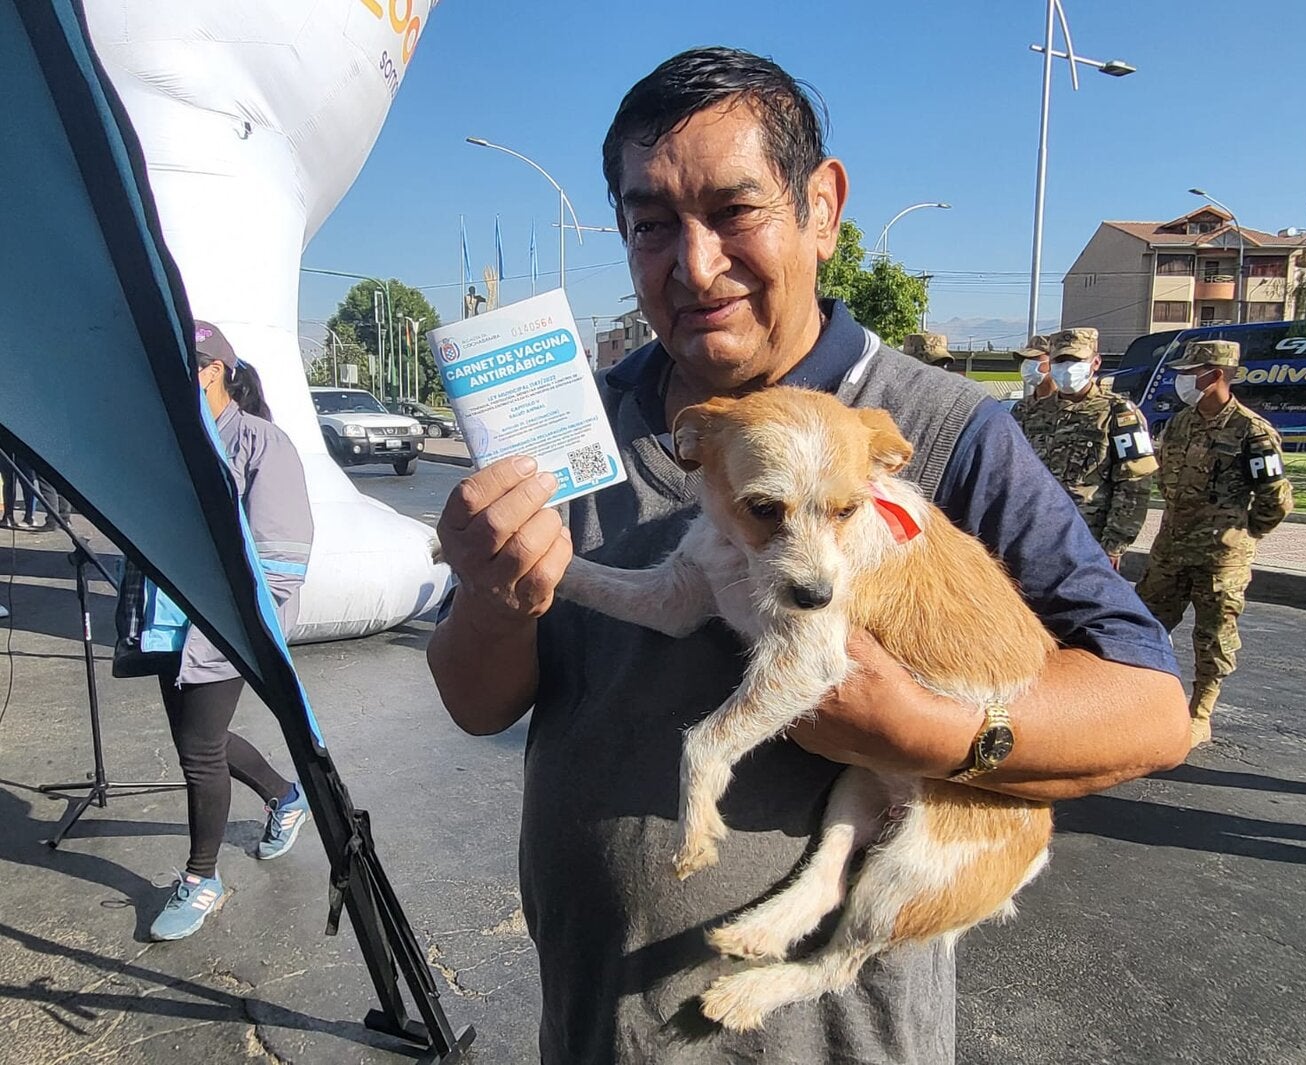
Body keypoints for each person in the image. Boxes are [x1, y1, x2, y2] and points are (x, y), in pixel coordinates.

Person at [428, 47, 1189, 1064]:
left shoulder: (943, 428)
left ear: (820, 208)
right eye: (652, 223)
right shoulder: (568, 435)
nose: (694, 266)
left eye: (734, 212)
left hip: (837, 1041)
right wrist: (493, 587)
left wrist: (933, 731)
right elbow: (476, 702)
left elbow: (1149, 711)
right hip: (600, 1024)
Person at [147, 321, 315, 942]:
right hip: (167, 620)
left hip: (221, 625)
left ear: (215, 369)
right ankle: (284, 797)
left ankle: (201, 879)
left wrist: (244, 624)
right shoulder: (174, 439)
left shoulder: (261, 443)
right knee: (203, 741)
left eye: (186, 366)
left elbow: (283, 556)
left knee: (197, 752)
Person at [1135, 340, 1293, 749]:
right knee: (1143, 625)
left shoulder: (1252, 431)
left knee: (1213, 637)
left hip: (1219, 559)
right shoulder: (1180, 423)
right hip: (1170, 549)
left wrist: (1241, 533)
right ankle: (1142, 702)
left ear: (1216, 374)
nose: (1183, 379)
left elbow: (1275, 498)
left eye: (1192, 372)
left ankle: (1200, 711)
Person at [1013, 327, 1158, 567]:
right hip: (1034, 537)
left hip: (1088, 542)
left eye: (1076, 359)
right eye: (1060, 360)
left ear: (1095, 362)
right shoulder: (1033, 412)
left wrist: (1114, 545)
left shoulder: (1119, 413)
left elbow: (1134, 483)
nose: (1068, 367)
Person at [1009, 332, 1053, 421]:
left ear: (1053, 361)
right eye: (1025, 360)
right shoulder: (1021, 407)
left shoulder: (1069, 405)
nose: (1027, 364)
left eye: (1035, 358)